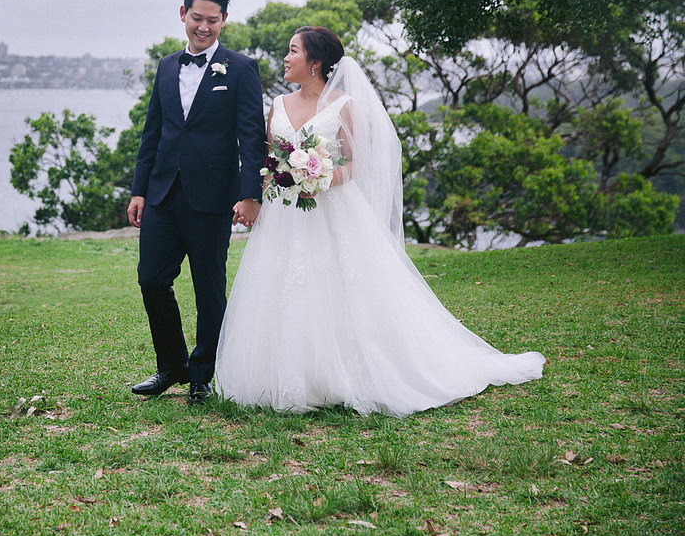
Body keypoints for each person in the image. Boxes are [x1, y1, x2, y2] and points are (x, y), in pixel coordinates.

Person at [214, 26, 545, 417]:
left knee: (341, 286)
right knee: (284, 287)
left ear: (315, 63)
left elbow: (356, 161)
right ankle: (290, 376)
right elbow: (269, 158)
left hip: (333, 209)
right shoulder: (278, 104)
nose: (285, 59)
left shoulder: (342, 103)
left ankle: (347, 375)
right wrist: (257, 196)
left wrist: (319, 179)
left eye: (293, 51)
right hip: (285, 216)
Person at [127, 0, 266, 405]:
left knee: (208, 287)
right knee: (151, 279)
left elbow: (250, 136)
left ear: (225, 20)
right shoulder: (167, 66)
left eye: (212, 20)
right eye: (196, 18)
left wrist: (250, 194)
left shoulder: (240, 69)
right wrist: (138, 191)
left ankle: (204, 374)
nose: (203, 27)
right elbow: (152, 133)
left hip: (212, 197)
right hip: (162, 194)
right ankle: (171, 366)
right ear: (182, 14)